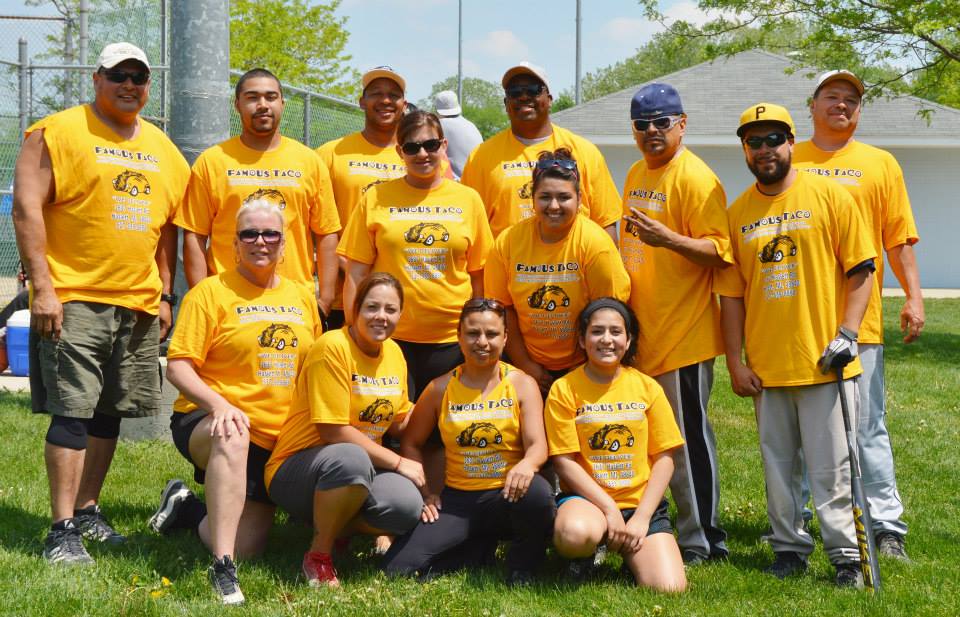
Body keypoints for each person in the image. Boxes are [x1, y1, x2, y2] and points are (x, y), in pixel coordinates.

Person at [12, 41, 188, 565]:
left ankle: (88, 511)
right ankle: (60, 530)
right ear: (97, 79)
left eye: (139, 76)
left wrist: (163, 293)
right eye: (119, 75)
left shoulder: (162, 147)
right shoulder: (56, 132)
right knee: (72, 412)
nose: (130, 85)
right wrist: (43, 287)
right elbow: (26, 208)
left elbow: (167, 228)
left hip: (135, 304)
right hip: (76, 297)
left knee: (110, 413)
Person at [716, 103, 876, 587]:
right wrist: (734, 362)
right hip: (767, 367)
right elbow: (731, 296)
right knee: (778, 469)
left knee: (832, 469)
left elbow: (862, 269)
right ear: (745, 150)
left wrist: (847, 334)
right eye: (753, 142)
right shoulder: (738, 212)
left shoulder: (828, 195)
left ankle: (846, 555)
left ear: (791, 141)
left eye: (772, 139)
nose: (764, 150)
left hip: (824, 362)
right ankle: (788, 548)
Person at [148, 200, 321, 604]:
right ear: (235, 244)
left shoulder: (301, 295)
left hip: (278, 437)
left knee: (251, 543)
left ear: (284, 245)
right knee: (234, 432)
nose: (260, 241)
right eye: (250, 234)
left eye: (270, 234)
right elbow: (179, 368)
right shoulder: (210, 293)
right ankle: (224, 568)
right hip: (210, 423)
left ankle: (185, 508)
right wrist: (219, 405)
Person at [792, 70, 922, 560]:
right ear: (813, 104)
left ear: (859, 111)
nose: (841, 105)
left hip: (860, 322)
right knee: (806, 430)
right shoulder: (790, 158)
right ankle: (804, 519)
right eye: (832, 97)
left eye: (851, 99)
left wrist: (914, 296)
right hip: (797, 322)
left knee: (866, 428)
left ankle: (886, 526)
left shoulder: (879, 163)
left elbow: (897, 236)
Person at [619, 83, 732, 564]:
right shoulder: (635, 172)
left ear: (682, 124)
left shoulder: (696, 178)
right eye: (642, 125)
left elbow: (719, 251)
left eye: (661, 123)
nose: (651, 133)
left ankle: (704, 537)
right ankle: (660, 524)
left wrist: (670, 240)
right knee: (649, 444)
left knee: (686, 445)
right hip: (643, 335)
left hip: (683, 335)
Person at [264, 272, 425, 588]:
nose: (381, 316)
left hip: (357, 468)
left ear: (400, 314)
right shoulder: (332, 347)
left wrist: (442, 410)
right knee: (350, 458)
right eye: (372, 307)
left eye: (390, 310)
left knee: (406, 505)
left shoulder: (393, 352)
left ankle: (337, 530)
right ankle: (319, 555)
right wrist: (398, 462)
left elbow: (400, 419)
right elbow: (333, 431)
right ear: (355, 308)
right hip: (297, 468)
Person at [383, 298, 555, 584]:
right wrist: (426, 492)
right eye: (473, 333)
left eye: (492, 334)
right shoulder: (439, 388)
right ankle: (476, 549)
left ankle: (522, 567)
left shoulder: (522, 384)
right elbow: (411, 442)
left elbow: (538, 445)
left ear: (505, 338)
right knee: (396, 569)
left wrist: (527, 465)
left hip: (508, 494)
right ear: (459, 337)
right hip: (459, 501)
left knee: (538, 494)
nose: (482, 342)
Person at [339, 110, 493, 401]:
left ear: (444, 146)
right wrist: (355, 332)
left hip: (452, 340)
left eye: (430, 145)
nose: (422, 153)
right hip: (391, 337)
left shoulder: (468, 199)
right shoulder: (376, 197)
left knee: (447, 432)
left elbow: (479, 275)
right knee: (393, 428)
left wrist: (476, 331)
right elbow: (356, 273)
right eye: (411, 147)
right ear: (399, 151)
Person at [546, 298, 687, 592]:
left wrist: (643, 517)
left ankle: (630, 554)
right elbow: (563, 461)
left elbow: (665, 458)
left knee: (669, 588)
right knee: (574, 534)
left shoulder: (648, 387)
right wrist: (609, 509)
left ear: (628, 339)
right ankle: (583, 556)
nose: (606, 340)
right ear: (583, 340)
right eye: (597, 332)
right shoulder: (564, 389)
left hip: (640, 505)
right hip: (589, 503)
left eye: (615, 331)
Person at [175, 67, 341, 317]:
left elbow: (327, 233)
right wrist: (202, 298)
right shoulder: (213, 162)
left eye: (271, 97)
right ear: (237, 105)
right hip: (227, 304)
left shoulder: (309, 161)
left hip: (294, 304)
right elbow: (194, 236)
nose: (263, 105)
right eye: (252, 97)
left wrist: (325, 300)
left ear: (283, 103)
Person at [485, 149, 630, 396]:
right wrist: (526, 365)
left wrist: (587, 369)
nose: (554, 206)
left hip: (587, 362)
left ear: (580, 198)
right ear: (532, 198)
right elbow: (503, 308)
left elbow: (610, 313)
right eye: (545, 197)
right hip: (526, 363)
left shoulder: (596, 244)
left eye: (564, 197)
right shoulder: (508, 242)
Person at [461, 62, 621, 240]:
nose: (523, 97)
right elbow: (468, 224)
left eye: (533, 90)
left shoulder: (584, 151)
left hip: (573, 265)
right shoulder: (481, 157)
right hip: (507, 265)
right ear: (506, 103)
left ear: (549, 99)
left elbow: (606, 221)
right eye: (514, 92)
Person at [316, 66, 408, 330]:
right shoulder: (331, 153)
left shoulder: (416, 155)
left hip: (399, 298)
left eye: (394, 94)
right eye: (376, 93)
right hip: (342, 295)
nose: (386, 100)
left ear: (404, 103)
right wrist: (345, 262)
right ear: (362, 102)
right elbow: (318, 225)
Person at [433, 90, 483, 180]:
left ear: (437, 109)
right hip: (478, 180)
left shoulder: (439, 125)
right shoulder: (470, 125)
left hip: (459, 183)